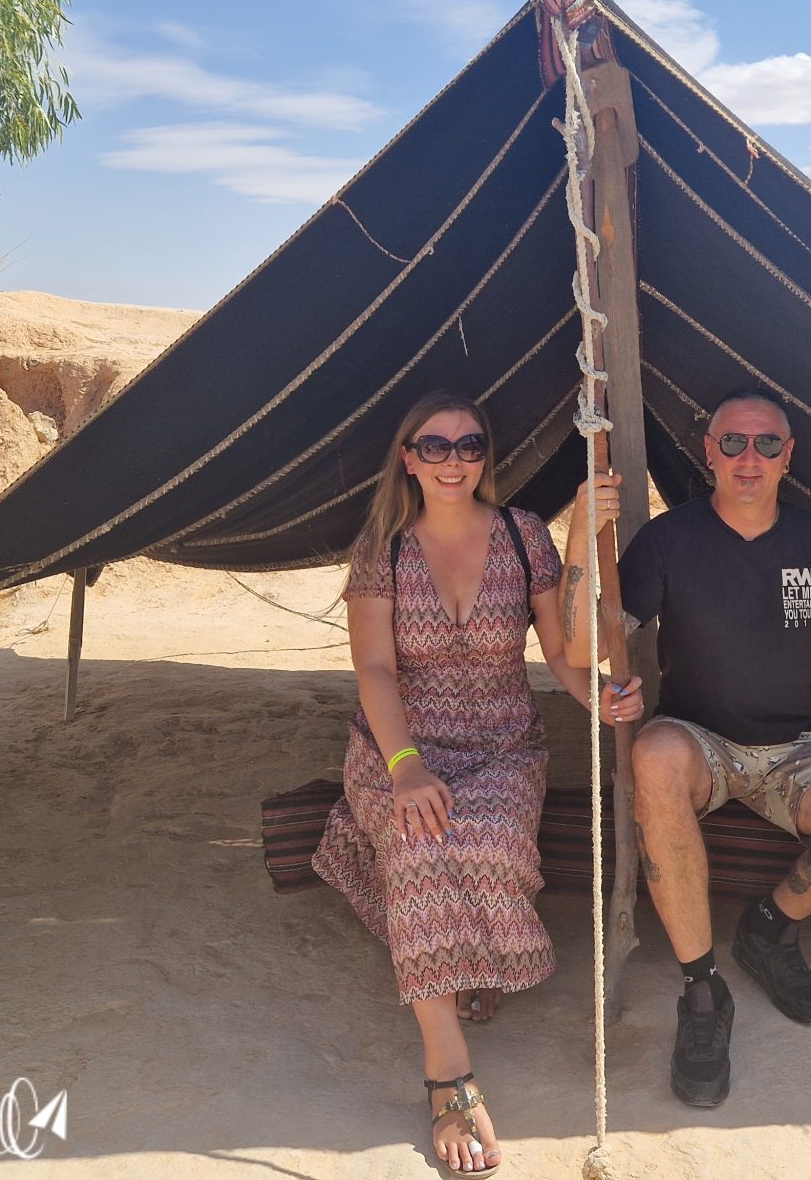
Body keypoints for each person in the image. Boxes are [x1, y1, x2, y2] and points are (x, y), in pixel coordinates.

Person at [564, 386, 811, 1109]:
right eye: (734, 443)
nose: (750, 458)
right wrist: (582, 535)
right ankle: (702, 990)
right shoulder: (670, 539)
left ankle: (769, 929)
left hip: (797, 745)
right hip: (700, 740)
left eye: (767, 443)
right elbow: (584, 642)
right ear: (709, 454)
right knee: (653, 755)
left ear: (788, 456)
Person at [312, 391, 643, 1177]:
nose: (453, 460)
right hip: (399, 745)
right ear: (409, 459)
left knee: (488, 843)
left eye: (469, 446)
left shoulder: (524, 537)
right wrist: (406, 768)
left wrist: (595, 696)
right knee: (419, 845)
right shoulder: (382, 549)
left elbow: (564, 652)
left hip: (501, 746)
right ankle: (448, 1072)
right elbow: (375, 670)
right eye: (435, 446)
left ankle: (467, 960)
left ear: (485, 458)